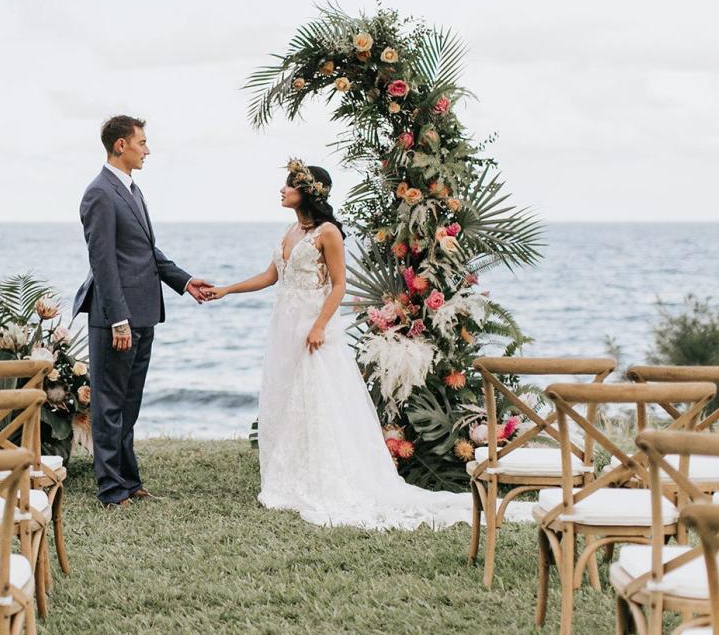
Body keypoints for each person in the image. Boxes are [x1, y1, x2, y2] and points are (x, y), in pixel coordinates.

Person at [207, 160, 476, 528]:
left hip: (312, 326)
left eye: (289, 185)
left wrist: (319, 325)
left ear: (309, 191)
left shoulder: (328, 232)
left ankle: (326, 478)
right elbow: (272, 276)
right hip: (284, 326)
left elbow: (338, 285)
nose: (282, 190)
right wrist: (226, 289)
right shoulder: (289, 231)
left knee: (317, 398)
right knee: (288, 397)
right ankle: (291, 475)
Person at [73, 115, 212, 509]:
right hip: (116, 317)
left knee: (129, 404)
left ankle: (129, 481)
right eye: (142, 142)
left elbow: (144, 252)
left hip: (144, 311)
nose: (147, 150)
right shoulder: (99, 192)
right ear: (121, 145)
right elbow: (103, 260)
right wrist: (119, 319)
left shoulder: (131, 190)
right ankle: (111, 490)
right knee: (109, 404)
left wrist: (185, 282)